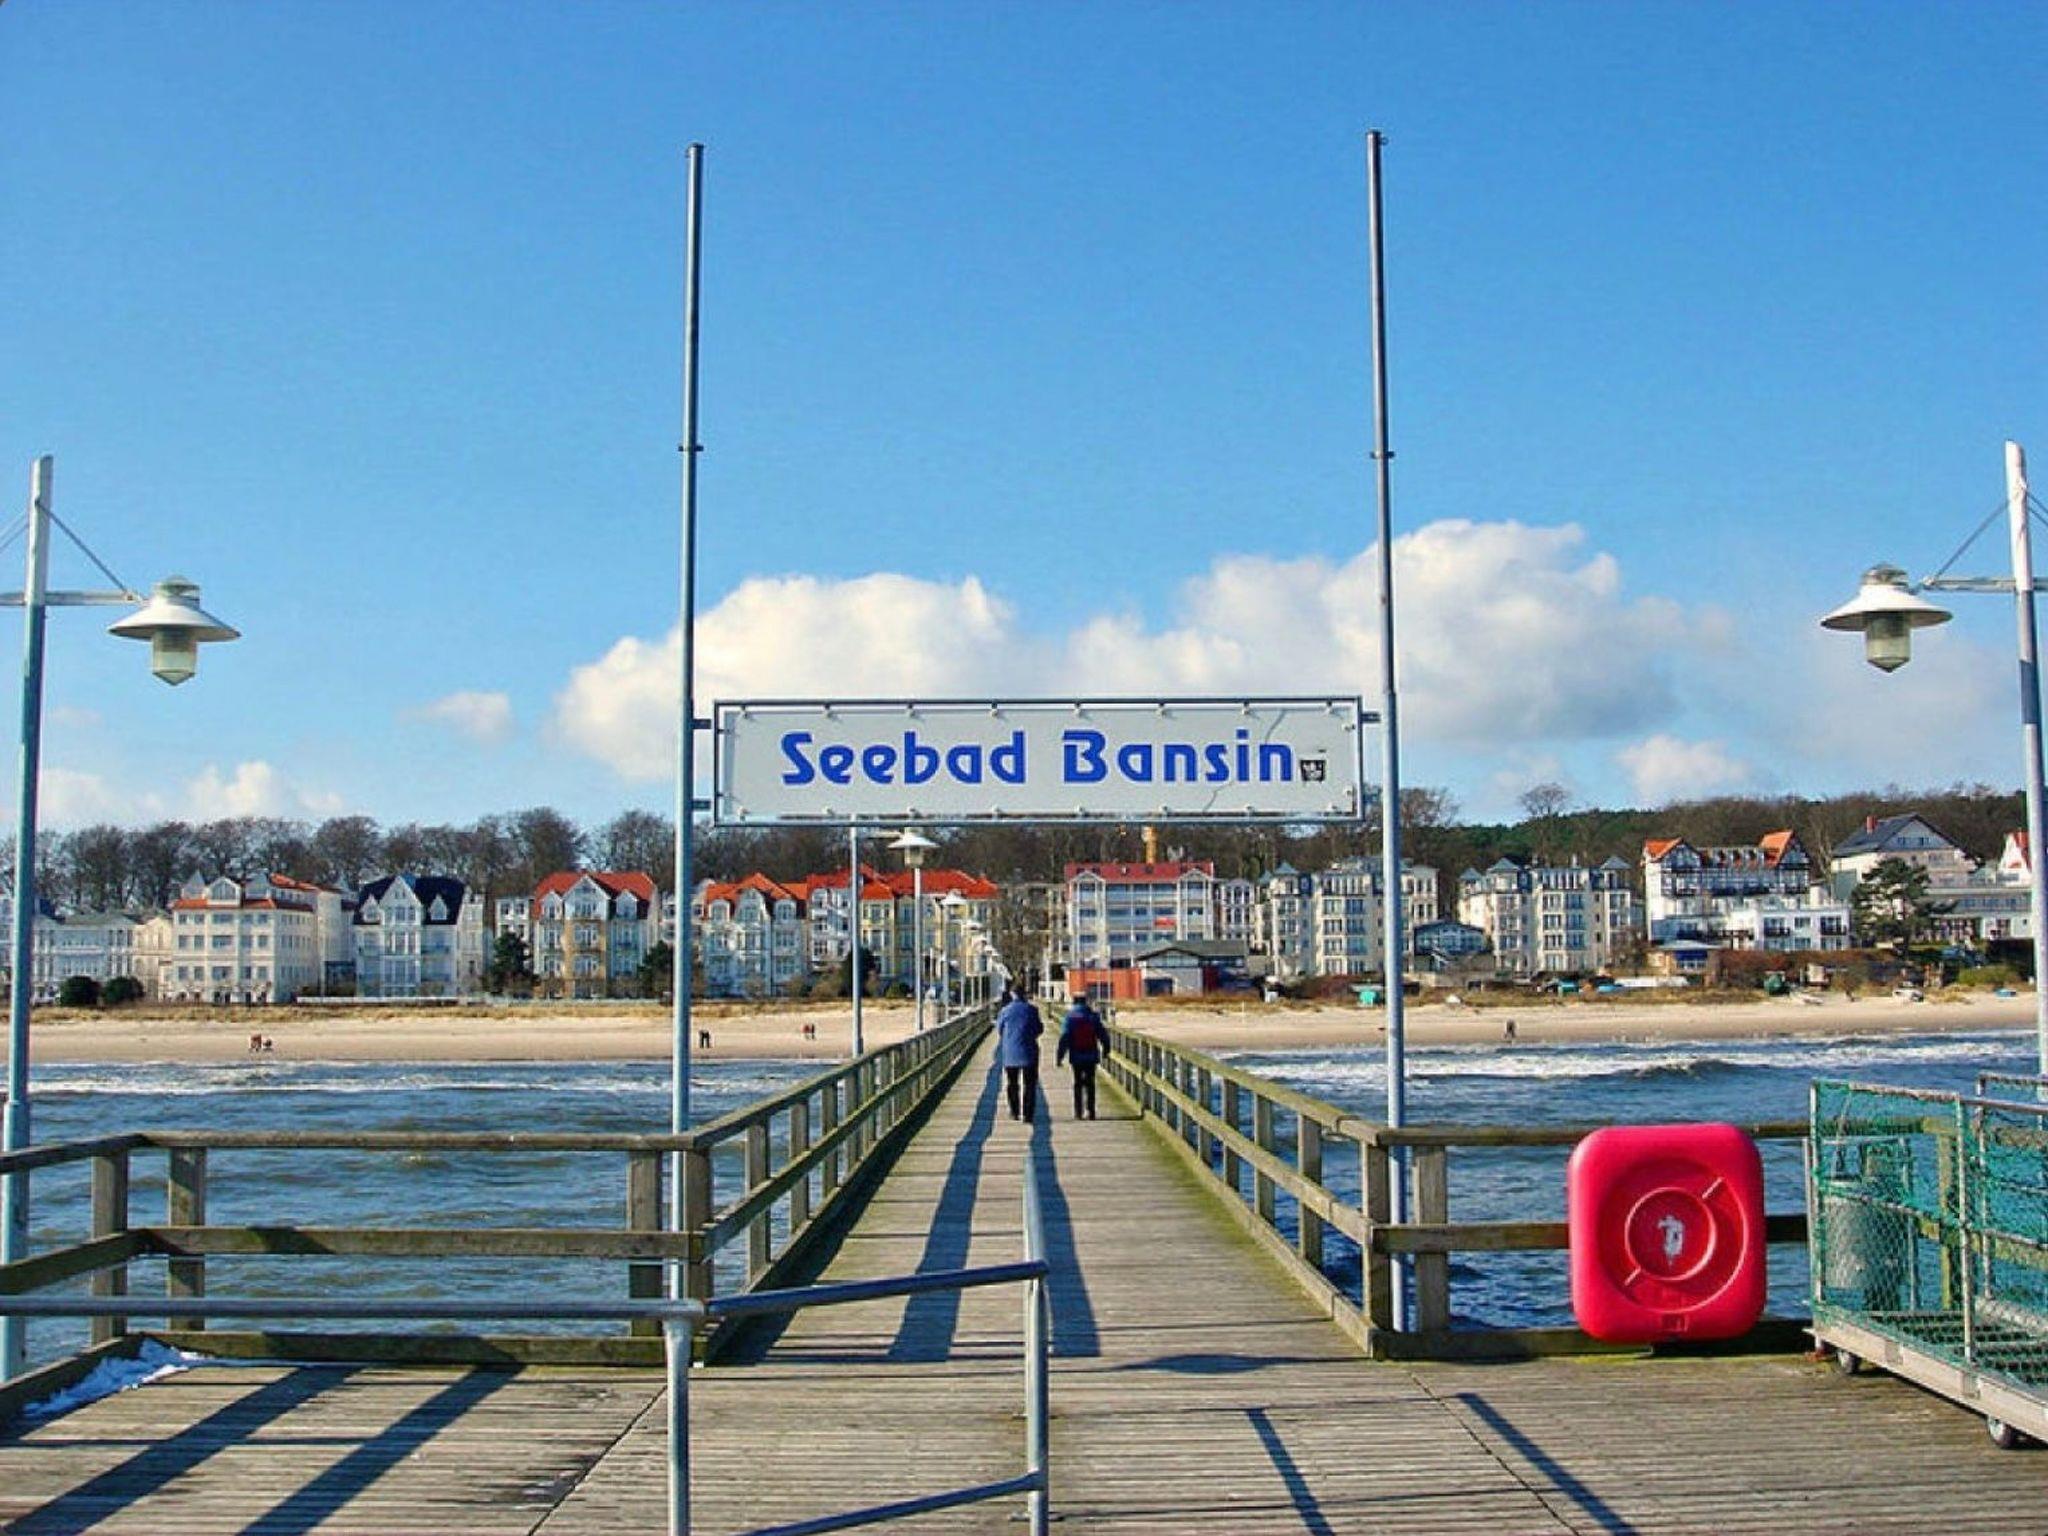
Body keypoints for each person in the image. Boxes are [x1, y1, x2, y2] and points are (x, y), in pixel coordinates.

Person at [994, 978, 1045, 1122]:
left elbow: (999, 1029)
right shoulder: (1032, 1010)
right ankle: (1028, 1114)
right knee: (1030, 1084)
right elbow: (1039, 1029)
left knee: (1012, 1083)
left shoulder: (1005, 1011)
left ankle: (1014, 1111)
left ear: (1012, 994)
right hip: (1029, 1052)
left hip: (1010, 1053)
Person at [1057, 992, 1110, 1120]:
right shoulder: (1093, 1016)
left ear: (1074, 1002)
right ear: (1085, 1001)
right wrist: (1106, 1049)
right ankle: (1091, 1111)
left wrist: (1060, 1056)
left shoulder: (1070, 1017)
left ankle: (1078, 1112)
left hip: (1076, 1054)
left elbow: (1065, 1037)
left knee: (1078, 1083)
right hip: (1091, 1054)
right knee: (1090, 1083)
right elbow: (1102, 1034)